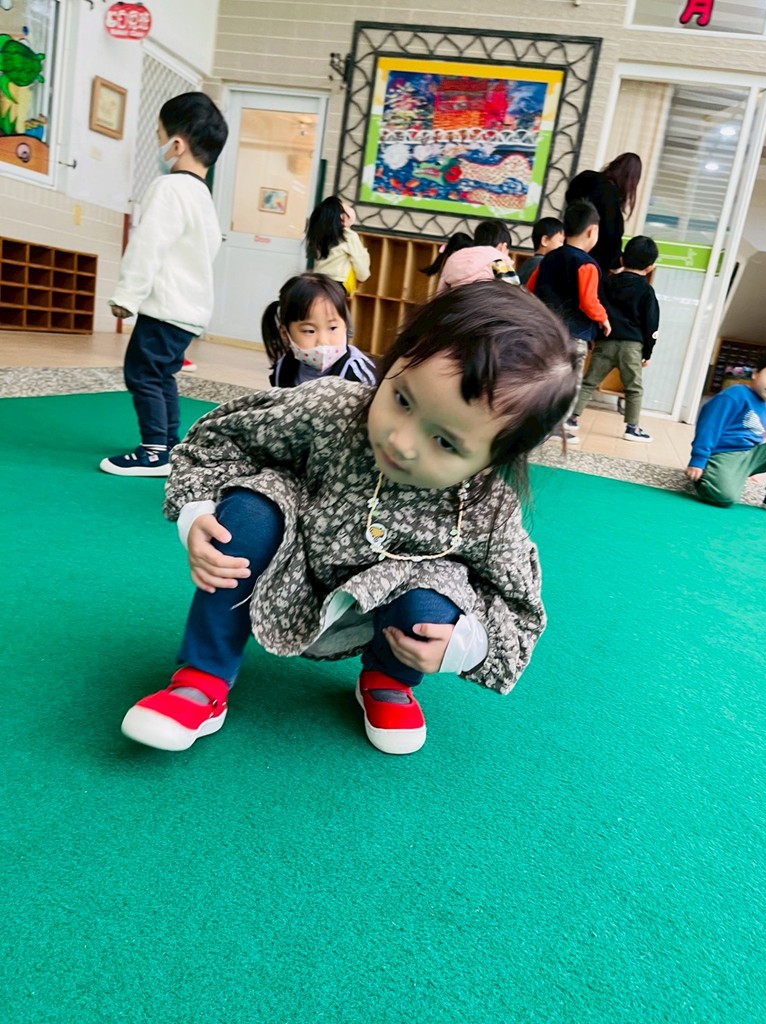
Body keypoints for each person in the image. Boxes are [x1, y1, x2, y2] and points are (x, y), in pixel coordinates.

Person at [119, 282, 581, 756]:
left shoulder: (488, 507)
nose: (401, 441)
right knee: (250, 512)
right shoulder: (331, 407)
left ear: (496, 458)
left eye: (445, 442)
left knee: (435, 601)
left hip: (385, 603)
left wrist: (468, 644)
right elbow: (219, 440)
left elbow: (521, 608)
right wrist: (197, 510)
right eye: (402, 399)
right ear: (393, 362)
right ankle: (202, 678)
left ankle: (388, 681)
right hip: (292, 559)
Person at [100, 92, 228, 477]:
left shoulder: (169, 189)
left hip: (165, 307)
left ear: (177, 144)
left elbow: (148, 246)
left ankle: (155, 450)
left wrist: (127, 295)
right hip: (189, 309)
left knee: (142, 373)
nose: (159, 145)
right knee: (161, 374)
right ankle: (170, 446)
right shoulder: (203, 197)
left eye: (159, 136)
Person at [527, 200, 610, 445]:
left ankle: (531, 421)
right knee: (569, 381)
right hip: (573, 334)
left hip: (545, 329)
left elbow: (531, 287)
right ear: (592, 231)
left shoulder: (549, 258)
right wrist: (604, 318)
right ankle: (554, 426)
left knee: (543, 375)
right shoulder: (587, 264)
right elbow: (588, 301)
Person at [567, 236, 660, 443]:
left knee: (589, 382)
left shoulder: (607, 282)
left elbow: (594, 307)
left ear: (622, 259)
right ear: (650, 267)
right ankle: (632, 428)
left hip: (605, 342)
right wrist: (648, 352)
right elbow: (651, 324)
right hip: (632, 347)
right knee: (633, 388)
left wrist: (593, 338)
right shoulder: (646, 290)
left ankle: (572, 418)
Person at [261, 272, 377, 388]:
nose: (323, 341)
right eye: (309, 331)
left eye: (332, 328)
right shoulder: (283, 370)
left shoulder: (359, 375)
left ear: (346, 326)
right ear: (285, 333)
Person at [686, 353, 766, 509]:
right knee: (725, 497)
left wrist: (745, 468)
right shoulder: (735, 395)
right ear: (755, 373)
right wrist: (698, 460)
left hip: (749, 455)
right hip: (725, 454)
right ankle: (709, 478)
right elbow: (709, 427)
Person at [565, 152, 642, 274]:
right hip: (591, 263)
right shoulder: (610, 200)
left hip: (567, 248)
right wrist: (618, 262)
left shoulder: (585, 180)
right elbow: (611, 238)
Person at [305, 196, 371, 296]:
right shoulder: (348, 236)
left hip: (317, 281)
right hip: (336, 285)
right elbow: (361, 265)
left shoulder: (319, 233)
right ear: (340, 216)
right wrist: (362, 278)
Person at [437, 220, 519, 291]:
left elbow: (441, 290)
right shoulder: (498, 259)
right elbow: (513, 292)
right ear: (503, 247)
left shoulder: (454, 257)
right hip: (483, 303)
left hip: (456, 302)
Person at [517, 217, 565, 287]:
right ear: (545, 240)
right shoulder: (544, 265)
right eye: (561, 241)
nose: (563, 246)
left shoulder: (530, 262)